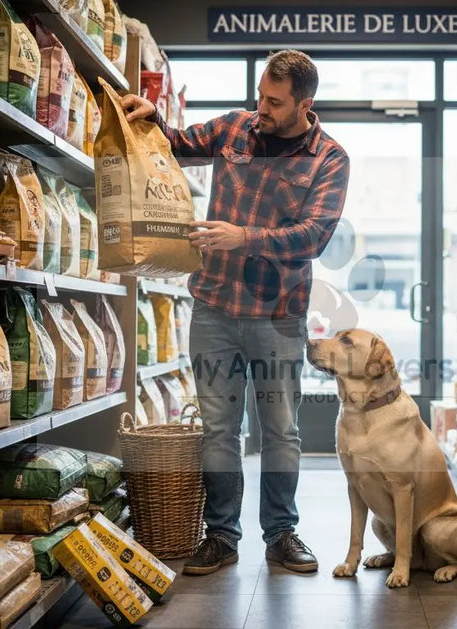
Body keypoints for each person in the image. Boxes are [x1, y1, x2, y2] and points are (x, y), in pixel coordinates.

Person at [122, 50, 350, 576]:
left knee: (280, 429)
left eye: (274, 102)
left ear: (304, 104)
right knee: (221, 428)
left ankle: (281, 534)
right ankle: (222, 536)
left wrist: (242, 237)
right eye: (259, 95)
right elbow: (177, 143)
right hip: (215, 310)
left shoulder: (329, 159)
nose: (261, 108)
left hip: (278, 317)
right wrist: (154, 116)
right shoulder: (233, 128)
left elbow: (314, 237)